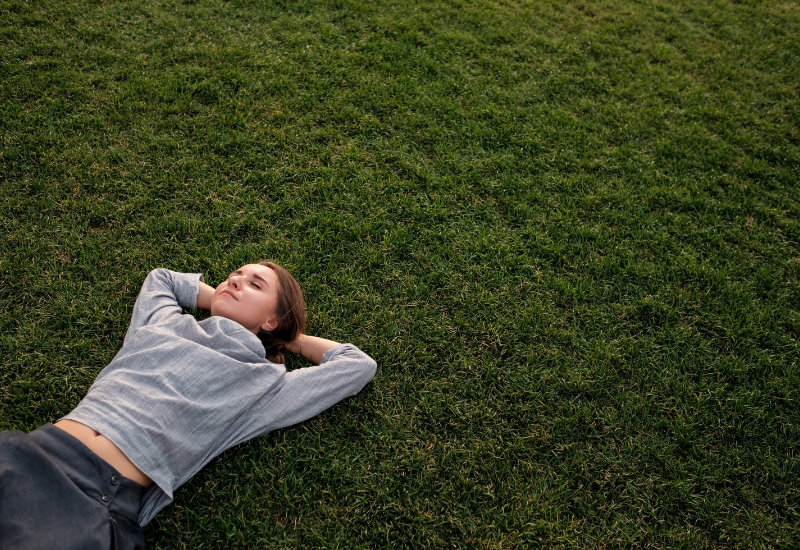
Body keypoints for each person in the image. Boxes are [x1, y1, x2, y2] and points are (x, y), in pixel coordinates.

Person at [0, 262, 377, 550]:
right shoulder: (164, 322)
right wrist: (219, 297)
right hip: (33, 449)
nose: (235, 280)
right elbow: (161, 278)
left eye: (254, 284)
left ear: (271, 319)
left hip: (95, 496)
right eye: (236, 274)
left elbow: (356, 366)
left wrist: (289, 338)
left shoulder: (264, 383)